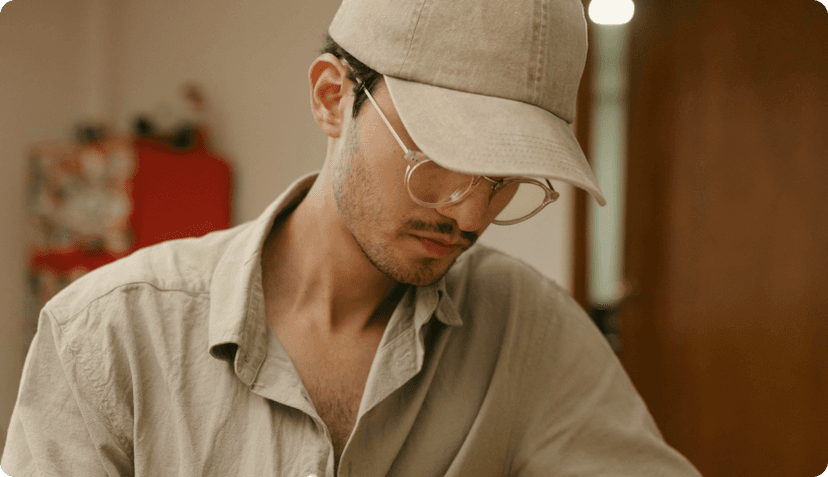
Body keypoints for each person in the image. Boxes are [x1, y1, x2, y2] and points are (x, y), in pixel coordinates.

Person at [2, 0, 703, 475]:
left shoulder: (528, 327)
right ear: (333, 98)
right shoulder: (107, 334)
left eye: (506, 179)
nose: (470, 215)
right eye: (438, 157)